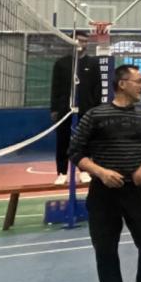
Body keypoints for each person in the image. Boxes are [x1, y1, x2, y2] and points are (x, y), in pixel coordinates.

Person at [69, 64, 141, 282]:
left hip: (139, 191)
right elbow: (75, 152)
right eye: (139, 81)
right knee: (105, 248)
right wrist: (101, 172)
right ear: (122, 84)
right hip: (104, 193)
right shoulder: (96, 116)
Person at [50, 32, 103, 185]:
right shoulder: (61, 63)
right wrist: (54, 109)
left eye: (85, 41)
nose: (82, 44)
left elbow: (97, 88)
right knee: (63, 140)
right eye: (79, 41)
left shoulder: (93, 63)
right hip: (65, 109)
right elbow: (55, 88)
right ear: (72, 42)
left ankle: (84, 171)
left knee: (85, 141)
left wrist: (96, 109)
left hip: (86, 109)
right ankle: (62, 173)